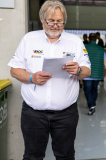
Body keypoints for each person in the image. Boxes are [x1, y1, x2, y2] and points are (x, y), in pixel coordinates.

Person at [8, 0, 91, 159]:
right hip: (33, 114)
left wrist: (78, 70)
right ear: (42, 19)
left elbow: (87, 71)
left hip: (66, 115)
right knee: (33, 156)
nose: (56, 25)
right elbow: (14, 70)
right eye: (51, 21)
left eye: (60, 21)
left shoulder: (75, 42)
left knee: (65, 155)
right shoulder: (29, 39)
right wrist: (31, 77)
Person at [84, 33, 106, 115]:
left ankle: (91, 105)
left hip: (86, 73)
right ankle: (92, 103)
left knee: (87, 89)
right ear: (96, 40)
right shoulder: (101, 49)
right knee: (94, 89)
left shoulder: (84, 48)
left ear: (89, 39)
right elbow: (105, 62)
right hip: (97, 73)